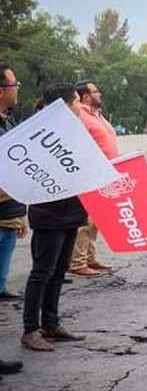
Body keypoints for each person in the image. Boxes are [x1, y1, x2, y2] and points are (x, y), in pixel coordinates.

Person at [20, 85, 90, 352]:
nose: (80, 107)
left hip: (71, 211)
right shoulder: (39, 133)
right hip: (49, 214)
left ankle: (50, 323)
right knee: (42, 273)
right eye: (76, 102)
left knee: (59, 272)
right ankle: (30, 330)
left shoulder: (72, 131)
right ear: (64, 105)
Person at [69, 80, 117, 278]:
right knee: (85, 221)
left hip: (102, 175)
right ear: (86, 96)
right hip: (88, 175)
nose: (100, 95)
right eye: (96, 92)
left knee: (96, 220)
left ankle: (89, 257)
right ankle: (77, 262)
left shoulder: (97, 115)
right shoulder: (79, 114)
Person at [0, 63, 26, 376]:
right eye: (13, 83)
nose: (17, 88)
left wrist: (20, 211)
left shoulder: (8, 122)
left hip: (8, 214)